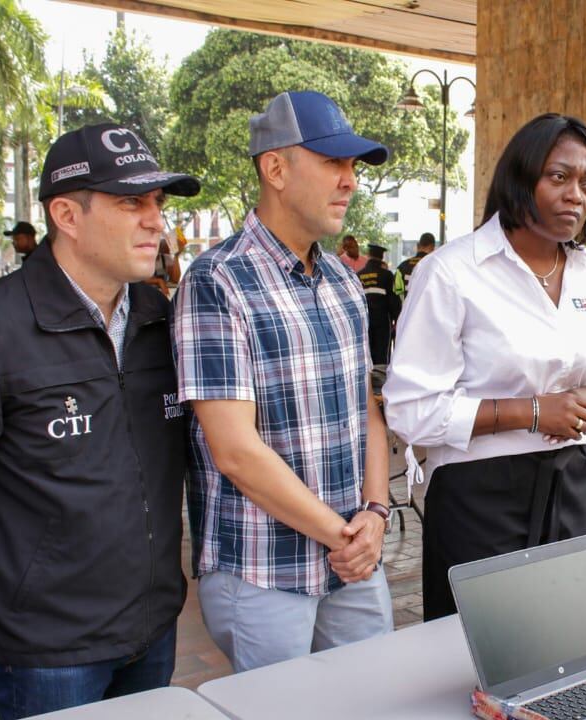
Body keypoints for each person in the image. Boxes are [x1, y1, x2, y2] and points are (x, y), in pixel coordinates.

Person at [0, 122, 200, 719]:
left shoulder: (160, 320)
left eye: (156, 202)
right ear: (67, 214)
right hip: (47, 647)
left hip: (153, 622)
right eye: (130, 202)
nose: (154, 220)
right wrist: (25, 567)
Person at [173, 90, 394, 672]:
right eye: (332, 163)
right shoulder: (217, 281)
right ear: (275, 168)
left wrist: (375, 512)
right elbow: (236, 451)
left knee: (377, 700)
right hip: (264, 570)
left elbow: (366, 409)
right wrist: (345, 537)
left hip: (352, 556)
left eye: (352, 166)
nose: (349, 181)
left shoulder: (343, 283)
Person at [384, 114, 586, 620]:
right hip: (480, 493)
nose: (576, 196)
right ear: (519, 178)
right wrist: (535, 412)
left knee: (560, 637)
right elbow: (411, 411)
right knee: (477, 651)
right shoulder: (452, 273)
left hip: (570, 482)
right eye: (558, 177)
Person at [357, 243, 400, 366]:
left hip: (364, 321)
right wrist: (397, 318)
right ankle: (380, 381)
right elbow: (393, 300)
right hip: (382, 320)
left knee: (367, 351)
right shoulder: (386, 275)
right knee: (381, 352)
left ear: (369, 255)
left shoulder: (359, 275)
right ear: (381, 257)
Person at [393, 231, 435, 300]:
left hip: (407, 309)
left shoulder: (401, 267)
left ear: (418, 245)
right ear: (433, 247)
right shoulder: (434, 266)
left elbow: (397, 293)